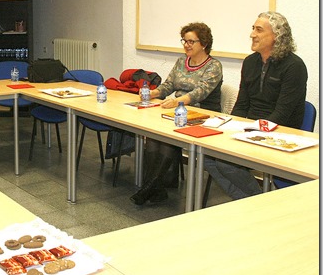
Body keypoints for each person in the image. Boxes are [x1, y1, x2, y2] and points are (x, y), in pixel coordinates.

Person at [204, 11, 307, 200]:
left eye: (259, 30)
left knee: (226, 163)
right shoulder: (250, 62)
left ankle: (261, 202)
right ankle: (255, 200)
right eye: (253, 29)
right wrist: (228, 126)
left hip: (279, 132)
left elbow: (282, 114)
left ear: (277, 36)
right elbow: (242, 104)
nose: (252, 34)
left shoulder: (294, 66)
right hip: (249, 128)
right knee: (208, 156)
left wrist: (251, 133)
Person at [130, 22, 223, 205]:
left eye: (191, 41)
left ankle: (149, 188)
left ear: (203, 43)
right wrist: (153, 92)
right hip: (178, 110)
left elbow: (200, 93)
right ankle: (156, 187)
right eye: (184, 41)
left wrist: (177, 101)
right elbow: (168, 86)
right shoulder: (182, 62)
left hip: (202, 113)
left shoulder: (214, 66)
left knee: (168, 137)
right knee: (154, 135)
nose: (186, 45)